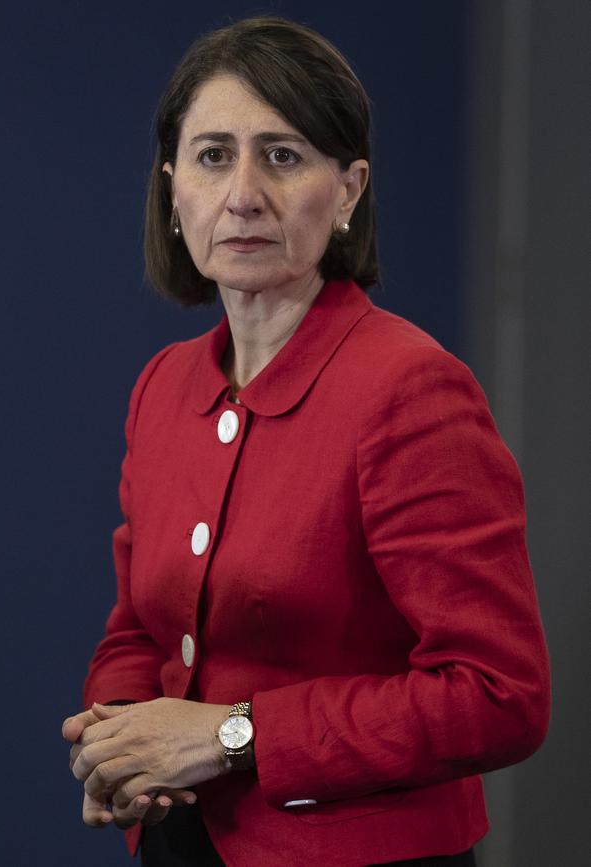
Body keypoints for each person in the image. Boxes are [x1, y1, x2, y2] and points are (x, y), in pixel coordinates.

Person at [62, 16, 550, 867]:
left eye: (282, 156)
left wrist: (229, 735)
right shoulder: (163, 387)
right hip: (181, 846)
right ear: (172, 186)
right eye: (213, 155)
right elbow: (139, 627)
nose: (243, 193)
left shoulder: (409, 390)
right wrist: (118, 738)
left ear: (350, 189)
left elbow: (498, 696)